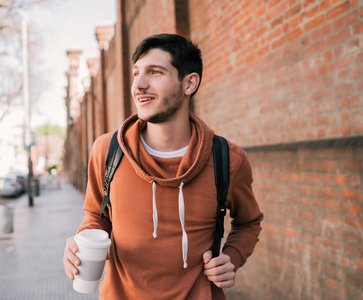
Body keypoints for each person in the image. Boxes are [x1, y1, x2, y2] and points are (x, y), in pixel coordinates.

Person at [63, 33, 263, 299]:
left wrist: (232, 257)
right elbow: (95, 216)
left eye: (155, 72)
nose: (139, 85)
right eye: (136, 73)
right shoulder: (107, 151)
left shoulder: (228, 158)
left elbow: (249, 222)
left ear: (189, 83)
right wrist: (82, 240)